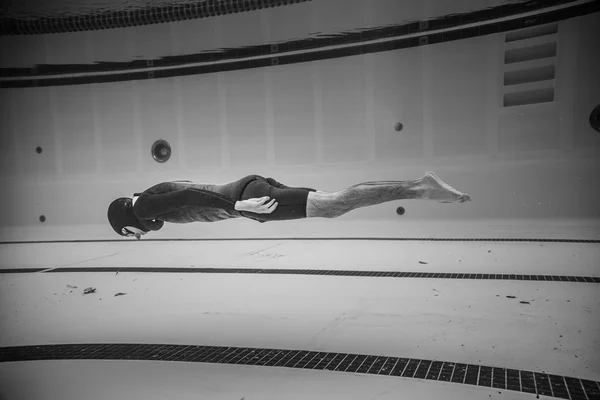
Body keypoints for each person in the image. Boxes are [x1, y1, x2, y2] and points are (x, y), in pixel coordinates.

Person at [107, 171, 470, 239]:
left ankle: (420, 189)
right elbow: (191, 192)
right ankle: (418, 188)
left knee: (334, 204)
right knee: (334, 202)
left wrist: (239, 208)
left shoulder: (142, 208)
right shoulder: (152, 193)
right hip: (248, 188)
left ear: (127, 219)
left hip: (247, 198)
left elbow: (189, 197)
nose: (138, 235)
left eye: (130, 235)